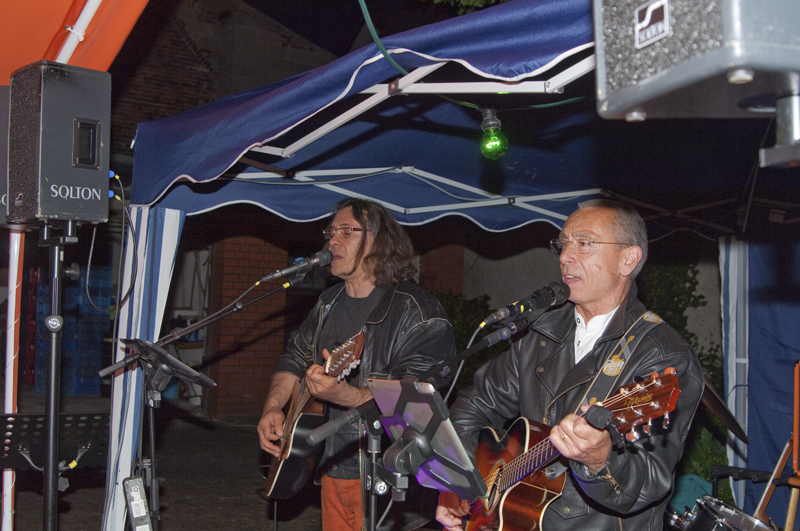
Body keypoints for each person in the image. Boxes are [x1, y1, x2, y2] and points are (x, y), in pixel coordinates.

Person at [436, 199, 704, 531]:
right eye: (563, 244)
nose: (565, 256)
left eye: (584, 243)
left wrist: (600, 461)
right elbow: (473, 404)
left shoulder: (662, 353)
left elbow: (648, 482)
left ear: (628, 259)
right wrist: (456, 480)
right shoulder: (543, 332)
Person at [258, 197, 456, 531]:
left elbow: (416, 403)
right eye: (330, 232)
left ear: (379, 242)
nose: (332, 241)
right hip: (329, 469)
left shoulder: (417, 312)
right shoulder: (327, 303)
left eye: (346, 231)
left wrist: (343, 395)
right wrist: (273, 407)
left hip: (387, 480)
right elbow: (292, 358)